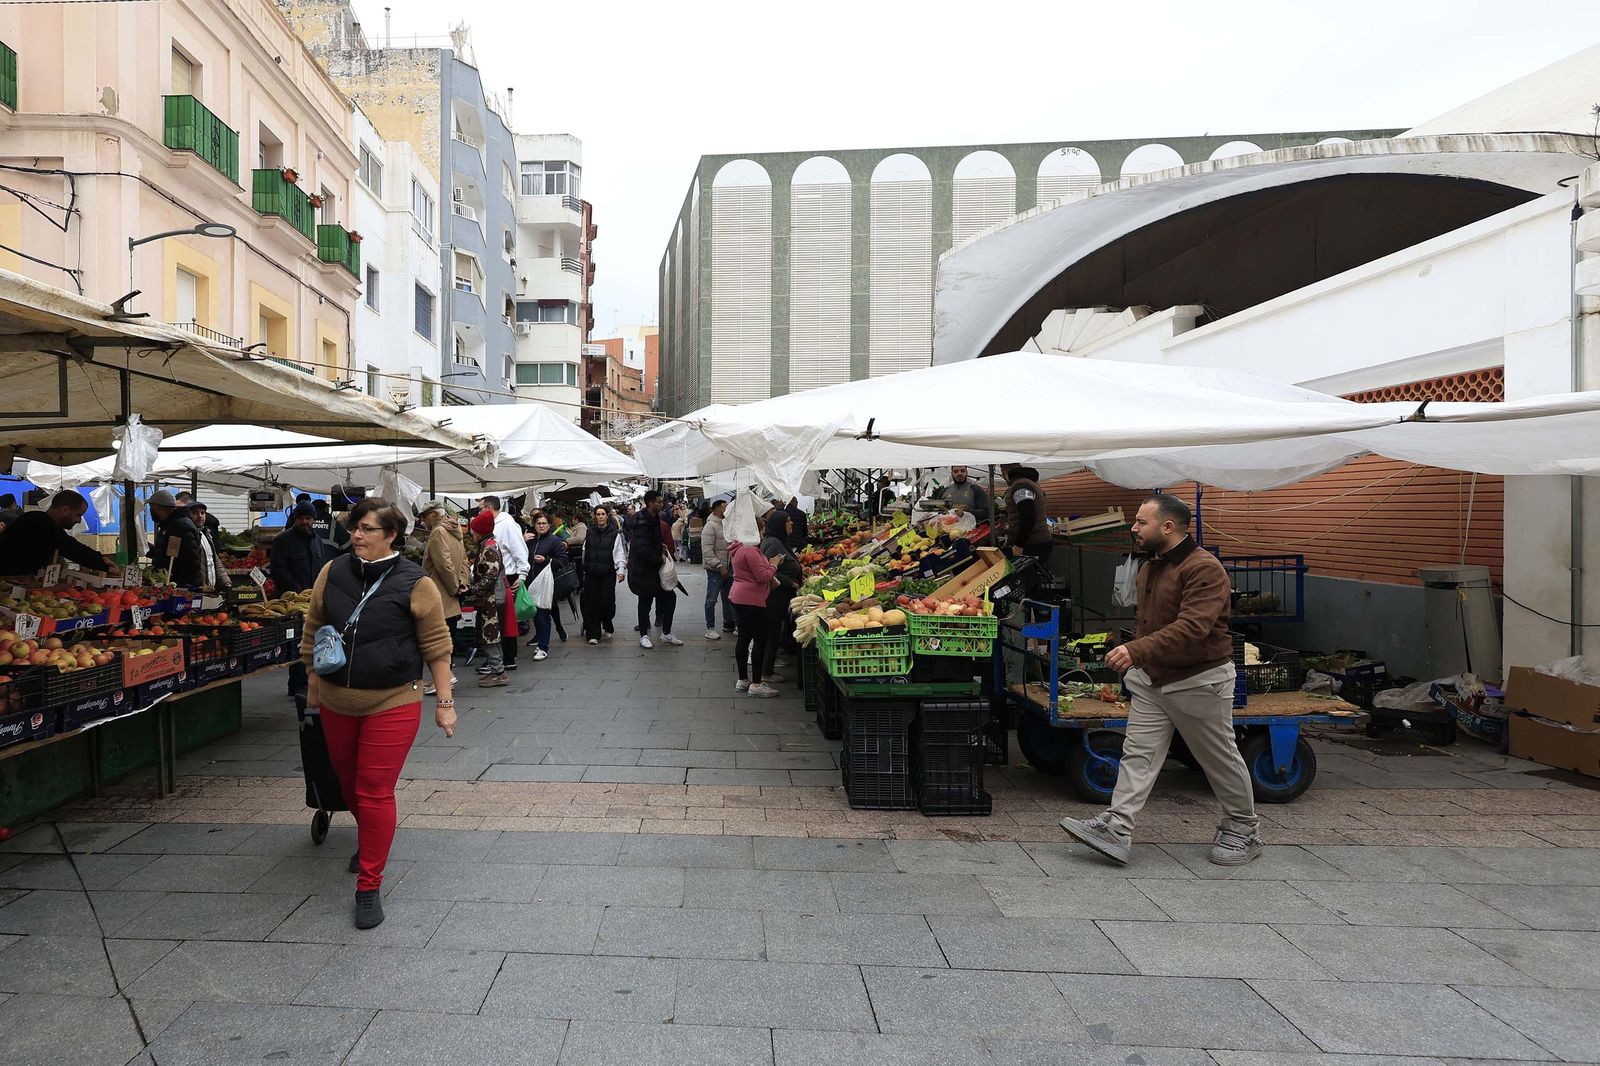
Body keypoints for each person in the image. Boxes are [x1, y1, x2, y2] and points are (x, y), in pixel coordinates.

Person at [1060, 493, 1262, 868]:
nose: (1134, 528)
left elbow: (1194, 627)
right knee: (1138, 755)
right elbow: (1150, 623)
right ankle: (1117, 829)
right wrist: (1140, 660)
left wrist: (1137, 652)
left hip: (1200, 681)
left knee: (1217, 758)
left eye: (1141, 522)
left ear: (1167, 527)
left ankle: (1242, 829)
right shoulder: (1151, 565)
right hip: (1154, 680)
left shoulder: (1204, 568)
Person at [300, 498, 454, 929]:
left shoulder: (414, 582)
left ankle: (369, 884)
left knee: (373, 788)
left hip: (393, 700)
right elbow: (313, 627)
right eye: (356, 527)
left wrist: (444, 703)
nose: (357, 535)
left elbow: (437, 647)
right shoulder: (332, 571)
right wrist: (313, 683)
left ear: (392, 536)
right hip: (335, 701)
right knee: (347, 785)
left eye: (368, 529)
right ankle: (371, 839)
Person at [0, 490, 117, 576]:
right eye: (78, 515)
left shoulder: (40, 520)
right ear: (65, 510)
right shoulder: (41, 523)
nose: (79, 520)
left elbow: (71, 546)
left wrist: (100, 559)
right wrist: (104, 565)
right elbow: (72, 548)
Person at [418, 502, 467, 696]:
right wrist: (461, 582)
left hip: (438, 593)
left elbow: (443, 564)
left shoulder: (438, 532)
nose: (422, 521)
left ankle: (444, 679)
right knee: (443, 638)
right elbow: (463, 560)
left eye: (424, 516)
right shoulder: (455, 529)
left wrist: (454, 585)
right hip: (450, 594)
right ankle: (445, 677)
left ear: (433, 515)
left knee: (432, 639)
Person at [729, 525, 782, 698]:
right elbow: (763, 577)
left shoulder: (737, 548)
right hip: (751, 599)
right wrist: (774, 565)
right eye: (762, 530)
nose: (763, 533)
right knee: (760, 639)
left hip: (738, 596)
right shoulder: (750, 550)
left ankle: (743, 679)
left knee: (744, 637)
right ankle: (757, 684)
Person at [476, 496, 527, 670]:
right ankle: (497, 658)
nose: (479, 511)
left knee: (504, 620)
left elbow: (520, 550)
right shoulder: (494, 525)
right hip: (499, 576)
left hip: (508, 577)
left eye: (481, 508)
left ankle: (507, 658)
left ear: (489, 508)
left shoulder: (507, 524)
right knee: (497, 619)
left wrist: (522, 575)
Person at [627, 490, 681, 648]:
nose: (661, 504)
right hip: (645, 570)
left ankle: (666, 633)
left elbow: (650, 543)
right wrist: (659, 559)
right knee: (645, 601)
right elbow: (642, 548)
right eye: (659, 501)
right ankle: (644, 635)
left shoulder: (654, 518)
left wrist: (660, 546)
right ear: (650, 503)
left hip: (654, 570)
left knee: (670, 598)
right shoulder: (643, 522)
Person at [465, 510, 509, 686]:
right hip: (490, 598)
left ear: (481, 530)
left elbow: (490, 576)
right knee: (490, 635)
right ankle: (495, 669)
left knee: (489, 634)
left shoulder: (489, 548)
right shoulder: (489, 544)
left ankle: (499, 673)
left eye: (475, 530)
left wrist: (472, 589)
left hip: (491, 599)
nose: (472, 533)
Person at [759, 510, 803, 683]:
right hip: (775, 596)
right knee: (772, 632)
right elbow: (769, 569)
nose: (791, 523)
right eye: (788, 521)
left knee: (775, 631)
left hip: (780, 595)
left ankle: (767, 669)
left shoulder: (779, 541)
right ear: (779, 525)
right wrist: (790, 583)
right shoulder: (773, 543)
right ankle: (766, 672)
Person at [522, 510, 569, 661]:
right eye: (538, 523)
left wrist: (546, 560)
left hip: (546, 584)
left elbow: (563, 561)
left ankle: (543, 647)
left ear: (549, 525)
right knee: (536, 615)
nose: (541, 526)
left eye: (544, 523)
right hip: (530, 583)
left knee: (543, 615)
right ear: (534, 525)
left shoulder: (555, 541)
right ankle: (541, 642)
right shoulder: (529, 540)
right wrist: (521, 540)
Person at [579, 504, 627, 644]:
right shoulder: (590, 531)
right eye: (598, 514)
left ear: (607, 516)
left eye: (602, 514)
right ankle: (593, 633)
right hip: (591, 573)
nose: (600, 516)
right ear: (595, 516)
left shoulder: (614, 534)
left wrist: (621, 569)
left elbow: (619, 552)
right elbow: (584, 550)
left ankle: (607, 621)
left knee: (607, 601)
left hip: (607, 574)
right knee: (592, 603)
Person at [147, 489, 207, 588]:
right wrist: (145, 547)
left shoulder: (180, 526)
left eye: (151, 507)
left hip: (179, 587)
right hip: (169, 584)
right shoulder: (169, 524)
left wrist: (180, 587)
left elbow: (191, 560)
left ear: (156, 507)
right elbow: (166, 555)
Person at [1002, 465, 1053, 564]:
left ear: (1004, 473)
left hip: (1033, 543)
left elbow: (1028, 515)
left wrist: (1019, 545)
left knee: (1032, 577)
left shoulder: (1020, 486)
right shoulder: (1029, 483)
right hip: (1038, 541)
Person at [700, 499, 735, 640]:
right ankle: (710, 628)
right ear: (716, 509)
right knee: (711, 599)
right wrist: (719, 566)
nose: (727, 510)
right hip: (716, 570)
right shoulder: (710, 526)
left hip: (728, 568)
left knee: (730, 598)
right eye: (725, 507)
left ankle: (730, 623)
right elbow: (707, 550)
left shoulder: (727, 524)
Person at [185, 500, 231, 592]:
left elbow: (215, 561)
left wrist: (226, 582)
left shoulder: (207, 535)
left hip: (210, 590)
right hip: (197, 590)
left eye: (202, 513)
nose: (200, 516)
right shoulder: (187, 536)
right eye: (195, 513)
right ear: (188, 516)